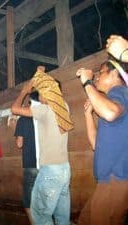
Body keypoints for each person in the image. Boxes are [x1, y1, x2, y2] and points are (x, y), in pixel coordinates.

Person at [11, 66, 73, 225]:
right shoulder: (64, 107)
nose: (39, 95)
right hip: (64, 169)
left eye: (42, 91)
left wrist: (24, 91)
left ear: (50, 92)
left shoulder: (45, 109)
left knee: (39, 216)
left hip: (50, 170)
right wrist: (40, 73)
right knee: (62, 217)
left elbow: (14, 109)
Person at [76, 59, 128, 225]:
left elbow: (110, 112)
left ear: (114, 73)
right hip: (108, 181)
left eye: (101, 73)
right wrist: (87, 115)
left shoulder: (120, 92)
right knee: (85, 220)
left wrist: (87, 82)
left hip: (116, 178)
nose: (97, 78)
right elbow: (94, 144)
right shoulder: (112, 100)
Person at [13, 92, 40, 225]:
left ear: (29, 103)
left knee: (28, 201)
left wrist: (15, 129)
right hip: (47, 164)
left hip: (31, 164)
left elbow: (19, 144)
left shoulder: (23, 119)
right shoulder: (44, 115)